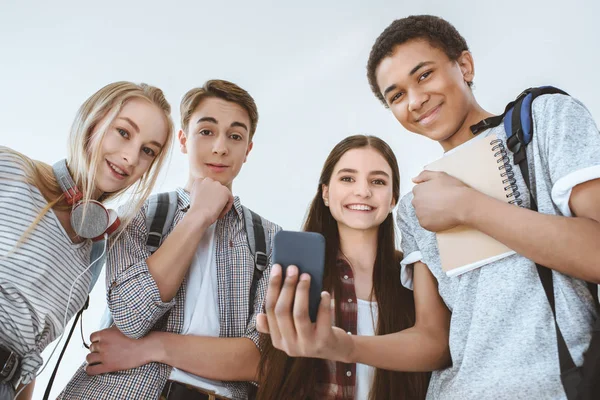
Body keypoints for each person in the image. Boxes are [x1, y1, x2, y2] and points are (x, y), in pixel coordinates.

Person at [259, 15, 600, 399]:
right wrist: (343, 347)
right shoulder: (415, 207)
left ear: (465, 66)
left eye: (423, 76)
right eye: (397, 96)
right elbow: (434, 341)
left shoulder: (544, 120)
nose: (416, 101)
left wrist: (469, 207)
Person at [59, 79, 281, 400]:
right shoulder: (136, 215)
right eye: (206, 131)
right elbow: (131, 318)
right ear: (183, 140)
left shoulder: (272, 240)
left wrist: (154, 347)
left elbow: (262, 360)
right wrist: (197, 216)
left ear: (247, 150)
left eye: (235, 136)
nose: (220, 147)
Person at [0, 81, 174, 400]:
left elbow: (29, 357)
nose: (131, 156)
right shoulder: (8, 170)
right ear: (94, 121)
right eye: (123, 132)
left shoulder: (94, 249)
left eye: (148, 150)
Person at [256, 135, 431, 400]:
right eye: (348, 178)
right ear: (325, 192)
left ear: (394, 197)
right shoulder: (299, 275)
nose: (363, 191)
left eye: (378, 181)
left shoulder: (414, 275)